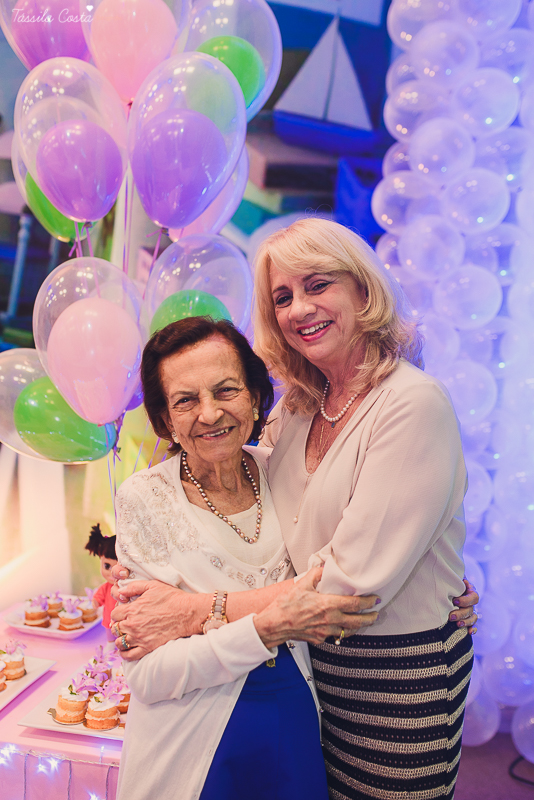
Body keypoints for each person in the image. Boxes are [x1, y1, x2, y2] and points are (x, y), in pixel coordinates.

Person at [112, 219, 479, 800]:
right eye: (282, 296)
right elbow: (261, 507)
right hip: (313, 680)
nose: (299, 308)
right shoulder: (299, 412)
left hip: (390, 677)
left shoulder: (411, 404)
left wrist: (191, 610)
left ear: (364, 291)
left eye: (317, 284)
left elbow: (350, 589)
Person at [114, 316, 380, 800]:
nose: (210, 414)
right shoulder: (143, 499)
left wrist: (442, 591)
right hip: (193, 743)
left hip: (297, 727)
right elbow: (149, 674)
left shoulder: (288, 472)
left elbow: (361, 551)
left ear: (256, 398)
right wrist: (265, 629)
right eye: (185, 400)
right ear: (164, 419)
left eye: (226, 390)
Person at [84, 523, 118, 640]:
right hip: (109, 616)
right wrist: (96, 602)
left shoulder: (128, 587)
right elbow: (99, 596)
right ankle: (110, 643)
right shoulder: (106, 587)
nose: (112, 572)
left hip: (123, 620)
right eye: (107, 566)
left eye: (118, 566)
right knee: (109, 630)